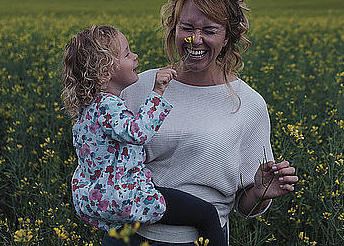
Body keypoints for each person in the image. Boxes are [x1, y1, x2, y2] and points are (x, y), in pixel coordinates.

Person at [108, 0, 298, 246]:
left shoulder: (249, 105)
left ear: (227, 37)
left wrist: (258, 193)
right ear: (173, 29)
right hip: (129, 237)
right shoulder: (138, 86)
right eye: (187, 28)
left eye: (209, 31)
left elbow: (245, 206)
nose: (195, 40)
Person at [62, 25, 227, 246]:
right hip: (128, 197)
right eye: (127, 54)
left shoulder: (88, 108)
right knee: (206, 214)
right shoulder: (108, 106)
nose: (135, 56)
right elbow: (138, 132)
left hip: (98, 198)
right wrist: (158, 91)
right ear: (105, 71)